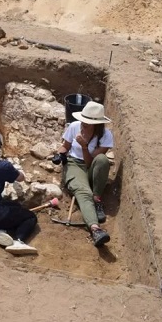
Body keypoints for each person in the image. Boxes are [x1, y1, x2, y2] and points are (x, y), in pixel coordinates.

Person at [54, 101, 113, 247]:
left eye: (86, 123)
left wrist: (84, 147)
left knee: (103, 160)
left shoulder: (105, 135)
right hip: (74, 165)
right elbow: (65, 146)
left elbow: (90, 163)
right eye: (83, 121)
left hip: (90, 165)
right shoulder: (74, 126)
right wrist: (59, 155)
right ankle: (95, 229)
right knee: (83, 192)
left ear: (97, 124)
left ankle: (97, 199)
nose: (82, 124)